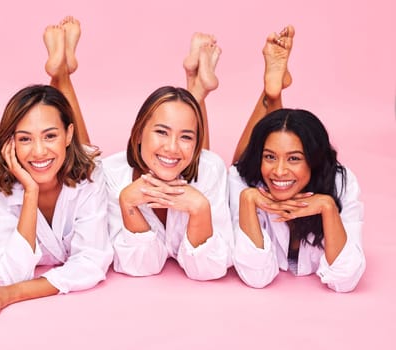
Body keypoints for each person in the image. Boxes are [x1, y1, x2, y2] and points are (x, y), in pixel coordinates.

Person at [0, 17, 112, 321]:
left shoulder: (92, 174)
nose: (38, 150)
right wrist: (29, 192)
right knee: (63, 150)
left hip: (79, 158)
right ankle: (62, 73)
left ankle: (62, 75)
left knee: (83, 154)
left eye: (51, 136)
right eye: (24, 139)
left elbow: (92, 263)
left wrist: (14, 295)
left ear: (67, 135)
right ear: (10, 142)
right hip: (57, 158)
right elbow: (8, 273)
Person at [229, 26, 365, 292]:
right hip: (244, 173)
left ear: (313, 159)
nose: (279, 171)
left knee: (263, 148)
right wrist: (247, 200)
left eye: (294, 159)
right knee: (240, 166)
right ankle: (271, 95)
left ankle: (273, 94)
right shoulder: (244, 182)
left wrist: (327, 207)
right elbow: (255, 276)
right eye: (269, 157)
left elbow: (346, 279)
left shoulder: (340, 182)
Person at [101, 34, 232, 279]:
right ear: (139, 133)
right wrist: (127, 202)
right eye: (161, 132)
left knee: (200, 163)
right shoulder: (111, 173)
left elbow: (209, 270)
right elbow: (141, 267)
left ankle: (196, 87)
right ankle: (196, 87)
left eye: (186, 137)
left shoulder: (211, 168)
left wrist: (200, 209)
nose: (172, 147)